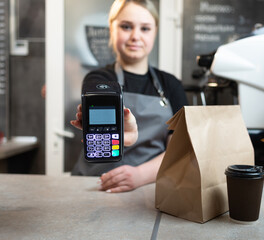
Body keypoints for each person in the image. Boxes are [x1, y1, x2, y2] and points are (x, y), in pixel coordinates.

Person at [70, 0, 188, 193]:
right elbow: (102, 136)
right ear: (112, 29)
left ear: (155, 32)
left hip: (148, 188)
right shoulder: (99, 80)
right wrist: (127, 135)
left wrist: (140, 175)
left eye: (145, 28)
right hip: (95, 185)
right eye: (126, 27)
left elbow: (179, 150)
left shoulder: (171, 85)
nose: (135, 36)